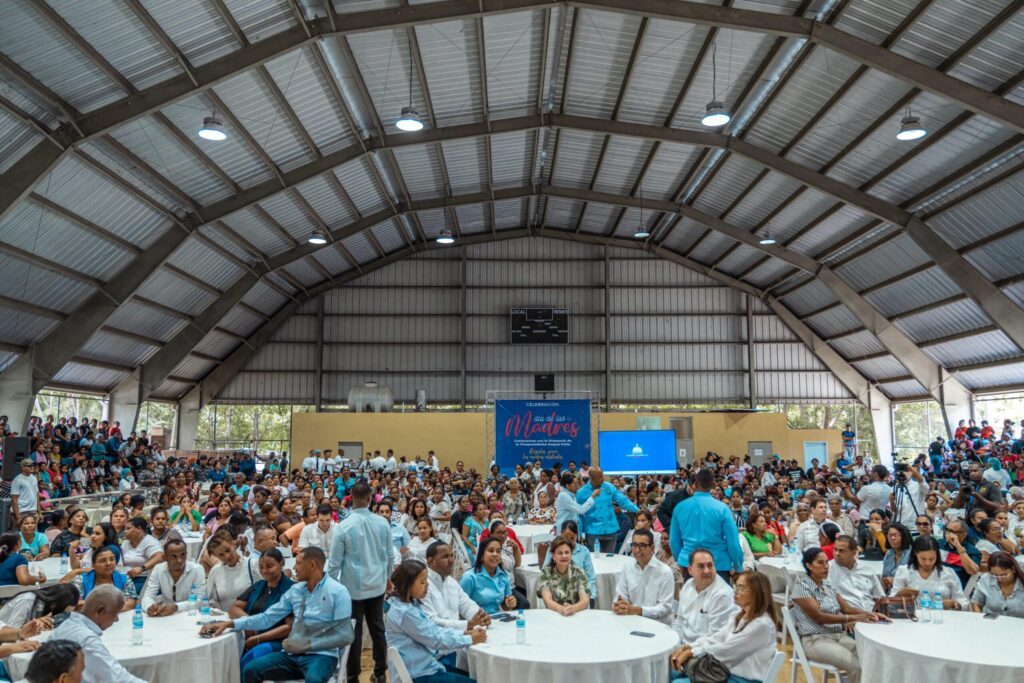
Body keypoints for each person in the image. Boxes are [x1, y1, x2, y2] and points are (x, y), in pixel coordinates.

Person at [201, 547, 354, 683]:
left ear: (312, 565)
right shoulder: (296, 591)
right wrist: (230, 624)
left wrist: (307, 644)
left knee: (314, 679)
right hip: (292, 654)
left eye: (298, 563)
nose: (294, 567)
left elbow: (344, 636)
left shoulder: (338, 592)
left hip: (322, 655)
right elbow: (266, 618)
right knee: (251, 669)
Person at [791, 548, 888, 683]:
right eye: (820, 562)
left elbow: (847, 608)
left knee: (872, 659)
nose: (826, 566)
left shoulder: (827, 584)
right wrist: (853, 618)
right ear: (809, 565)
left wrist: (871, 615)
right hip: (815, 640)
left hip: (838, 636)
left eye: (826, 562)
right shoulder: (801, 587)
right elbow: (819, 617)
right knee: (856, 667)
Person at [328, 482, 391, 683]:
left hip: (352, 588)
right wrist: (388, 578)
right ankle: (380, 672)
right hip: (377, 584)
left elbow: (334, 563)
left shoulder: (343, 527)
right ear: (370, 499)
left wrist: (331, 588)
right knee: (378, 628)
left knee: (353, 631)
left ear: (350, 499)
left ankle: (352, 676)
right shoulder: (383, 523)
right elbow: (389, 556)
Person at [669, 572, 779, 683]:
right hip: (724, 671)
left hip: (742, 679)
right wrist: (690, 646)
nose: (735, 591)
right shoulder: (738, 616)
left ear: (757, 593)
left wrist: (693, 652)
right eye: (736, 586)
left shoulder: (762, 625)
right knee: (671, 671)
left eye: (741, 588)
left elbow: (726, 650)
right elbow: (717, 637)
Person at [386, 559, 484, 683]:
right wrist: (469, 639)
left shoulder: (410, 605)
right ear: (408, 585)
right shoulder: (405, 612)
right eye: (422, 582)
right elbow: (434, 640)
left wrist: (463, 633)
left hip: (425, 666)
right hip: (419, 674)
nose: (427, 585)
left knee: (474, 675)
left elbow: (433, 629)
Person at [49, 585, 147, 683]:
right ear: (100, 611)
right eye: (115, 614)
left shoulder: (66, 625)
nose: (116, 619)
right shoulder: (87, 640)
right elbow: (118, 678)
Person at [669, 469, 743, 581]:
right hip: (718, 564)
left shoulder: (679, 508)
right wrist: (738, 567)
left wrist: (681, 561)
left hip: (690, 563)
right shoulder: (722, 508)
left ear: (695, 484)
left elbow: (674, 541)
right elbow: (733, 542)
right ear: (713, 485)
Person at [229, 549, 296, 669]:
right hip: (251, 636)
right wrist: (250, 623)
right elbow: (234, 608)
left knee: (247, 663)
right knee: (227, 657)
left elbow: (288, 627)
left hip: (278, 640)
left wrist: (259, 638)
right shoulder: (259, 585)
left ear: (281, 563)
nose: (264, 571)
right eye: (261, 567)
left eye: (269, 566)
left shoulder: (292, 589)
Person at [422, 542, 490, 649]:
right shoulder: (423, 585)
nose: (451, 560)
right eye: (445, 557)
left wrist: (481, 617)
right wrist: (468, 624)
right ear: (430, 561)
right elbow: (431, 623)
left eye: (451, 556)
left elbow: (467, 605)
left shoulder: (451, 582)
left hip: (458, 641)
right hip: (436, 649)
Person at [671, 548, 736, 643]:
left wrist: (689, 649)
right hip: (683, 643)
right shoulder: (688, 586)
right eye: (701, 566)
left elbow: (716, 639)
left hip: (705, 648)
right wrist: (675, 643)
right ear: (690, 570)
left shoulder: (722, 595)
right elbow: (679, 621)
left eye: (710, 565)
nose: (706, 571)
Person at [611, 528, 675, 624]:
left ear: (652, 548)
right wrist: (619, 605)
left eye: (642, 546)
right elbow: (620, 595)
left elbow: (665, 608)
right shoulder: (627, 568)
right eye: (634, 545)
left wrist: (640, 611)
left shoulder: (665, 572)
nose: (637, 550)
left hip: (657, 624)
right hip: (632, 621)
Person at [891, 535, 968, 610]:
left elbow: (964, 603)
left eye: (931, 559)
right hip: (913, 616)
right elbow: (890, 603)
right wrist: (899, 595)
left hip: (942, 616)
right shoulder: (904, 571)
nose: (927, 563)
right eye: (923, 559)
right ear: (915, 553)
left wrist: (954, 604)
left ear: (937, 555)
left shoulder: (948, 573)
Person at [576, 467, 638, 552]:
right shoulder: (581, 493)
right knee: (595, 558)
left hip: (611, 529)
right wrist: (580, 534)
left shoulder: (609, 487)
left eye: (602, 475)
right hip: (593, 531)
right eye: (600, 477)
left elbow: (623, 500)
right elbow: (579, 515)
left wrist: (637, 510)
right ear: (592, 478)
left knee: (610, 557)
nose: (603, 478)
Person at [140, 539, 205, 615]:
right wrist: (150, 607)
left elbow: (200, 600)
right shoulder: (158, 569)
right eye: (174, 557)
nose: (179, 560)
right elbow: (148, 596)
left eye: (183, 555)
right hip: (165, 614)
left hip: (190, 614)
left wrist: (176, 607)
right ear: (165, 557)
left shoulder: (197, 569)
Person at [459, 537, 516, 614]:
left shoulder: (504, 575)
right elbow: (460, 606)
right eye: (490, 550)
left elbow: (504, 606)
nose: (495, 554)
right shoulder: (469, 577)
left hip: (496, 617)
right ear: (482, 555)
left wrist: (509, 603)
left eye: (498, 551)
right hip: (475, 619)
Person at [827, 535, 884, 612]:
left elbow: (879, 597)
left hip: (871, 614)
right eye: (835, 549)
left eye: (841, 551)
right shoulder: (827, 570)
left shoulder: (867, 570)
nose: (837, 553)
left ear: (853, 553)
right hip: (846, 615)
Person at [206, 529, 260, 610]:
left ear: (233, 544)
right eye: (221, 555)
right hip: (223, 615)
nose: (227, 556)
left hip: (248, 615)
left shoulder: (252, 565)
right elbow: (209, 599)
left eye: (228, 550)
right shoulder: (215, 571)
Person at [537, 536, 590, 616]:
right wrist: (561, 609)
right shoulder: (546, 573)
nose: (564, 556)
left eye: (567, 552)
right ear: (553, 555)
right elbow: (548, 600)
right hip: (554, 615)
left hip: (575, 615)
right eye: (560, 553)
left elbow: (585, 600)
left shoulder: (579, 572)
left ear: (571, 554)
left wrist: (573, 608)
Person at [0, 584, 79, 631]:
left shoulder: (46, 605)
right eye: (61, 612)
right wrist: (34, 624)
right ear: (54, 605)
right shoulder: (27, 600)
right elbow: (12, 629)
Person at [970, 551, 1024, 618]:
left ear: (1013, 569)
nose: (999, 578)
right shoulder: (986, 579)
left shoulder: (1021, 583)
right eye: (995, 575)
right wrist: (980, 619)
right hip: (991, 622)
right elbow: (976, 602)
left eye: (1004, 575)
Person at [121, 517, 164, 593]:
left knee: (124, 592)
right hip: (126, 577)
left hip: (144, 579)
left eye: (128, 528)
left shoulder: (150, 541)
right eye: (125, 529)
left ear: (138, 529)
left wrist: (142, 568)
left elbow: (159, 557)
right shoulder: (127, 542)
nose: (125, 531)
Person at [880, 523, 912, 592]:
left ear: (904, 536)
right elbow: (884, 576)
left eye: (896, 535)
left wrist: (894, 580)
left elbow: (916, 578)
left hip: (906, 592)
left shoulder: (912, 553)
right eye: (890, 535)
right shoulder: (889, 553)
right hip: (889, 592)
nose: (893, 538)